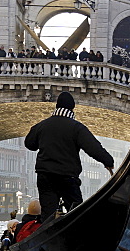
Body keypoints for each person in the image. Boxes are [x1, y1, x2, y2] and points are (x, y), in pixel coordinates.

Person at [24, 91, 114, 220]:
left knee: (48, 215)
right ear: (72, 108)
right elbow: (93, 148)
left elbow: (29, 144)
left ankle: (48, 235)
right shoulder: (76, 128)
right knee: (77, 214)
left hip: (45, 175)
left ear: (57, 107)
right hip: (67, 177)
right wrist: (108, 161)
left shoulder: (41, 126)